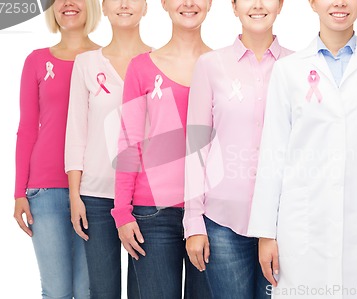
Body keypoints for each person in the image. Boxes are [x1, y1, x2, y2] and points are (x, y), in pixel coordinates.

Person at [248, 0, 357, 298]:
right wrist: (266, 233)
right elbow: (273, 155)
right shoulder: (288, 71)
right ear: (313, 3)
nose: (340, 3)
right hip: (303, 227)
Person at [183, 0, 292, 298]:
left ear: (281, 5)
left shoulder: (298, 67)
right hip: (223, 222)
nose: (257, 5)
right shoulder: (210, 66)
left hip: (284, 223)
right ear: (233, 6)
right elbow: (196, 146)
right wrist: (193, 222)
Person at [111, 0, 213, 298]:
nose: (189, 3)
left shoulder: (222, 66)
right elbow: (128, 140)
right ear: (165, 3)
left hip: (210, 214)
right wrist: (122, 212)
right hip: (151, 215)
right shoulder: (142, 67)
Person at [13, 0, 101, 298]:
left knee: (88, 290)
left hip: (94, 190)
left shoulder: (106, 59)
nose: (67, 3)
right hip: (45, 190)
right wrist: (19, 192)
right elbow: (26, 129)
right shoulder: (36, 61)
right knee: (57, 291)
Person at [65, 0, 152, 298]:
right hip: (96, 198)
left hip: (145, 199)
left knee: (145, 291)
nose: (124, 4)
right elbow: (76, 132)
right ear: (103, 7)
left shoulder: (159, 61)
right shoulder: (87, 63)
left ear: (146, 8)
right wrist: (75, 196)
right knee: (102, 291)